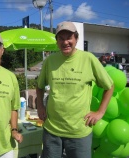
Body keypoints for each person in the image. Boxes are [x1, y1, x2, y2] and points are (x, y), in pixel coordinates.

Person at [36, 21, 114, 158]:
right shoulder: (50, 60)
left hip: (79, 131)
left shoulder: (88, 59)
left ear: (76, 39)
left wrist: (100, 112)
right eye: (61, 38)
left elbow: (109, 86)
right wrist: (40, 107)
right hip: (52, 130)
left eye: (69, 37)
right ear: (57, 41)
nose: (65, 42)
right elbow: (40, 86)